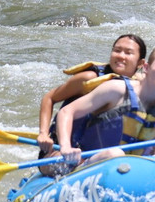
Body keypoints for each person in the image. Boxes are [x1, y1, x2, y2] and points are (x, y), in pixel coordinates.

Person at [53, 45, 155, 172]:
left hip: (131, 169)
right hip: (89, 163)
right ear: (146, 68)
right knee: (115, 153)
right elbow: (66, 111)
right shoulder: (117, 89)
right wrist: (65, 146)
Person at [36, 33, 146, 164]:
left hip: (100, 153)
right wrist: (43, 133)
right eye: (117, 50)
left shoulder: (139, 86)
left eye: (128, 53)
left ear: (140, 63)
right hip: (62, 151)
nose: (121, 56)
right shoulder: (89, 78)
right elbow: (49, 98)